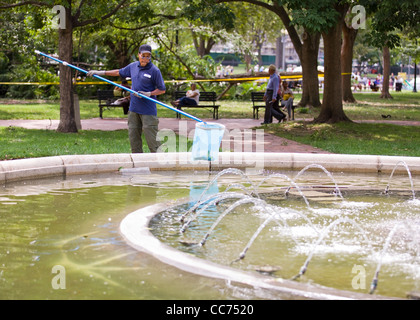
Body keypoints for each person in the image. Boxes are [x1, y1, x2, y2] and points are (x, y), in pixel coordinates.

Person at [87, 44, 166, 153]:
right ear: (138, 55)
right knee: (134, 141)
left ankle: (160, 165)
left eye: (148, 56)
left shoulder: (154, 71)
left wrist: (149, 93)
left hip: (148, 112)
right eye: (143, 56)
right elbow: (118, 72)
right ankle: (138, 165)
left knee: (153, 143)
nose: (145, 59)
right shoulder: (133, 66)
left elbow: (162, 89)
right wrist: (100, 72)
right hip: (133, 110)